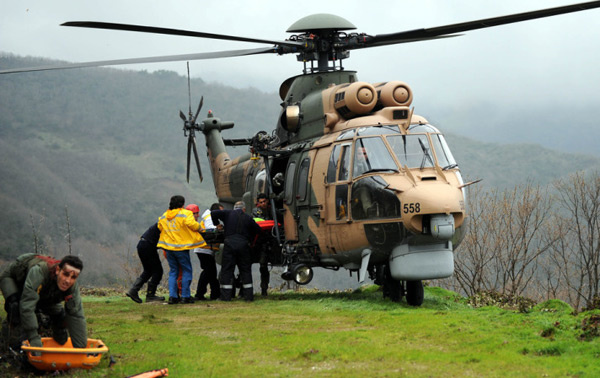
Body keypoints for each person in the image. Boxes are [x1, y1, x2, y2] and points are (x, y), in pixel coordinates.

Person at [0, 253, 87, 351]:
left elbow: (76, 315)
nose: (68, 280)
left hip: (42, 291)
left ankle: (57, 336)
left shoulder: (72, 285)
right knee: (16, 308)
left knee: (59, 314)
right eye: (65, 274)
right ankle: (8, 345)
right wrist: (34, 338)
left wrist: (82, 350)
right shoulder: (39, 272)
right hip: (13, 279)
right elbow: (27, 306)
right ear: (58, 270)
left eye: (73, 277)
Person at [211, 201, 261, 302]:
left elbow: (213, 213)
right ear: (244, 209)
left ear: (234, 208)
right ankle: (248, 297)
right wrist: (250, 239)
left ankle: (226, 297)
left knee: (227, 270)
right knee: (245, 270)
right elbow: (258, 230)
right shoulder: (248, 217)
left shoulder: (227, 213)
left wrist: (217, 224)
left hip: (229, 244)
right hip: (243, 245)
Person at [157, 195, 202, 305]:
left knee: (173, 272)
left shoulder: (164, 215)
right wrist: (199, 227)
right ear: (182, 204)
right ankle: (185, 297)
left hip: (168, 248)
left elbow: (159, 227)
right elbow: (192, 224)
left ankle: (173, 297)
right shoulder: (185, 213)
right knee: (187, 270)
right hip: (181, 248)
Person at [126, 223, 165, 303]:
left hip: (142, 244)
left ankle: (133, 290)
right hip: (149, 246)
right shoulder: (169, 224)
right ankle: (150, 295)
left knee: (148, 271)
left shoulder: (163, 221)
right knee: (158, 271)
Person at [193, 203, 224, 301]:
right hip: (204, 249)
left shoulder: (210, 217)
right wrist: (218, 229)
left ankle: (211, 294)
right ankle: (204, 294)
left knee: (210, 272)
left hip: (206, 249)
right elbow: (209, 229)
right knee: (209, 272)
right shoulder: (210, 217)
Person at [252, 193, 272, 296]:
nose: (263, 204)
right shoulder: (256, 211)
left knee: (264, 266)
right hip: (258, 241)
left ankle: (264, 289)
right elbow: (260, 221)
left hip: (268, 241)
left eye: (264, 201)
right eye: (261, 202)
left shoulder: (271, 210)